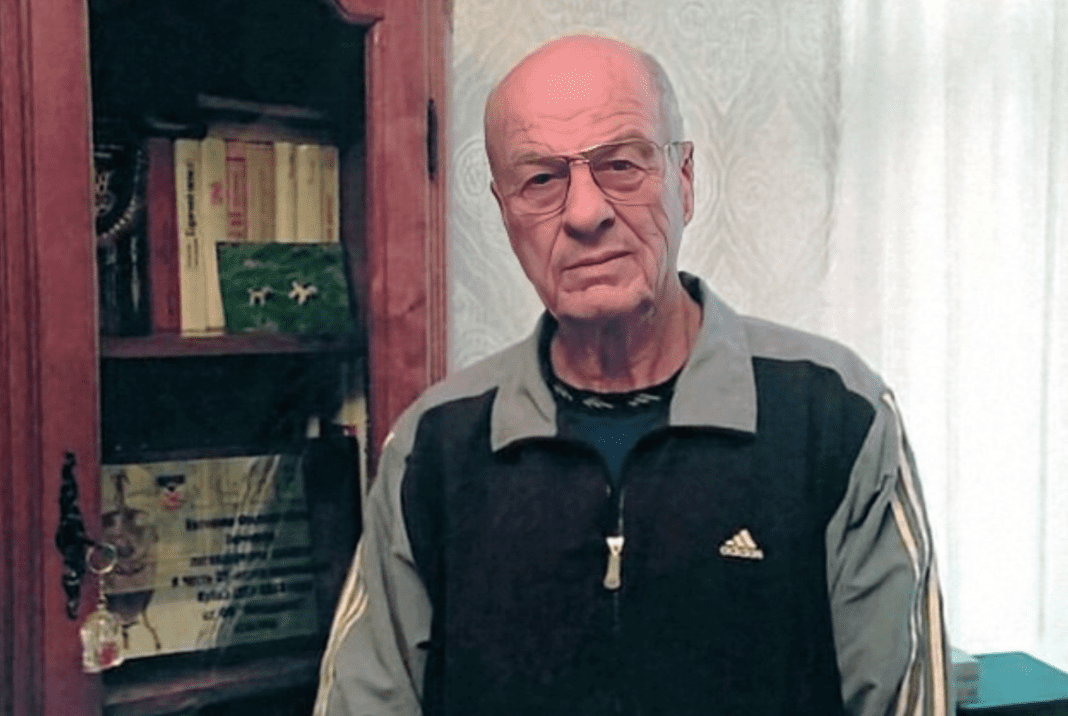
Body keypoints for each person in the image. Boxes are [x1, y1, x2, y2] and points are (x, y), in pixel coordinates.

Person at [314, 34, 950, 716]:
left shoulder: (837, 418)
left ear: (684, 180)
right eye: (541, 180)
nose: (586, 213)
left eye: (621, 164)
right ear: (505, 213)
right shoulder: (431, 449)